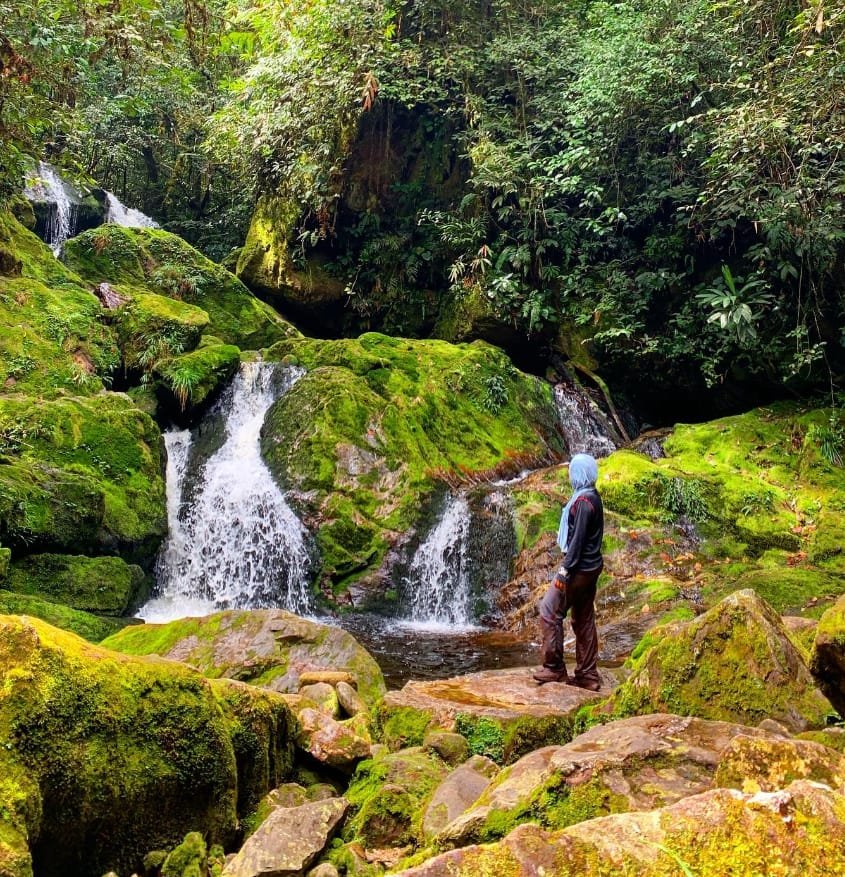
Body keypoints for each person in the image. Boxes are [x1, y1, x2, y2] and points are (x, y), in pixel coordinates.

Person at [533, 453, 603, 690]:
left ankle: (554, 668)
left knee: (549, 610)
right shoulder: (592, 496)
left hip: (578, 570)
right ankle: (588, 675)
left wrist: (564, 571)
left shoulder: (583, 503)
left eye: (573, 471)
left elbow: (578, 542)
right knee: (583, 618)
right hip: (590, 568)